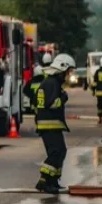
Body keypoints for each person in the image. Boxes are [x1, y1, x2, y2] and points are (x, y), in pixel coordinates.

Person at [34, 53, 76, 194]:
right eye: (68, 71)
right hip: (49, 124)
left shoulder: (50, 82)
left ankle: (53, 180)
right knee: (55, 152)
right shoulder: (52, 83)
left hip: (51, 124)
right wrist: (63, 98)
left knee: (61, 151)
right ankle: (44, 181)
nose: (68, 75)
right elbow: (52, 104)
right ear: (62, 69)